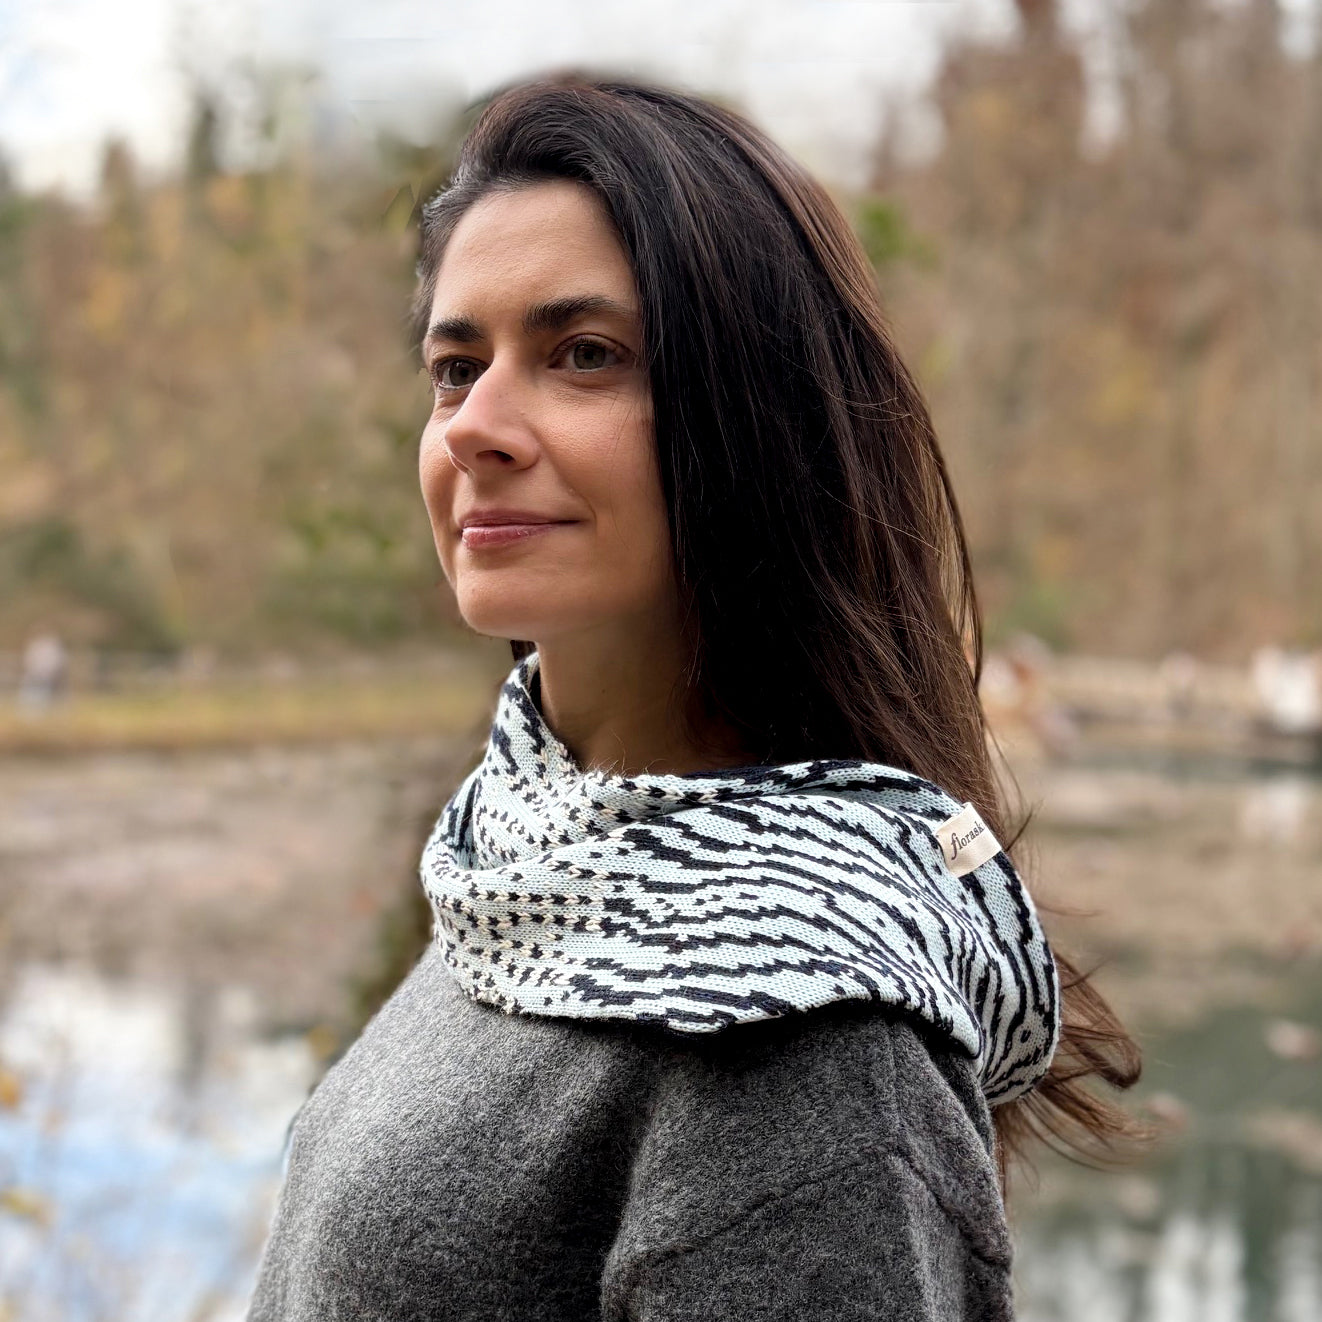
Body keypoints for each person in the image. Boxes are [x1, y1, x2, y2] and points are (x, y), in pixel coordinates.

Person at [245, 74, 1141, 1321]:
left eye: (583, 355)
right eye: (454, 367)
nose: (473, 427)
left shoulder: (789, 1023)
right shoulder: (522, 865)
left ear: (756, 422)